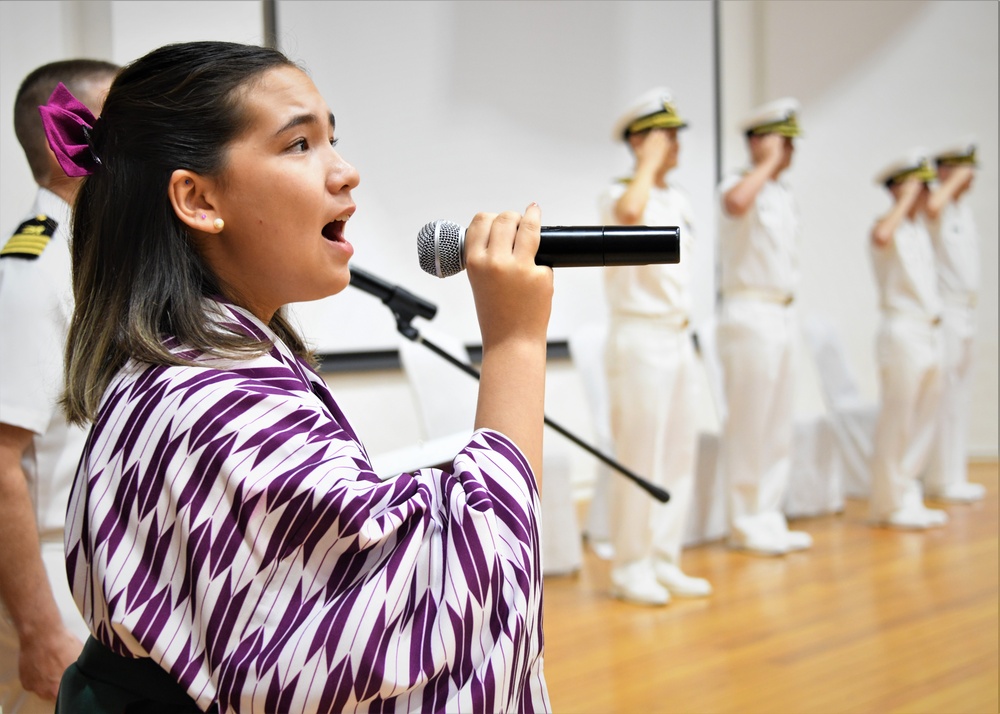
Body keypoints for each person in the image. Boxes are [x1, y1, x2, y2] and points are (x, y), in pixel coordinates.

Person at [47, 41, 553, 712]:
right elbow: (457, 593)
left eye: (333, 139)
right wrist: (515, 342)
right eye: (299, 145)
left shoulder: (190, 365)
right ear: (197, 198)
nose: (345, 173)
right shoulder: (215, 397)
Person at [0, 58, 118, 713]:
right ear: (65, 137)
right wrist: (40, 629)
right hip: (50, 578)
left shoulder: (91, 256)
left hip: (101, 574)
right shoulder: (33, 268)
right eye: (119, 119)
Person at [596, 88, 711, 605]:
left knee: (677, 453)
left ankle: (665, 557)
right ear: (640, 142)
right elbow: (629, 209)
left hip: (677, 334)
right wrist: (646, 161)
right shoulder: (618, 194)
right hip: (639, 337)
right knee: (640, 455)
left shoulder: (676, 198)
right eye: (665, 136)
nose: (675, 144)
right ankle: (631, 565)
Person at [715, 98, 813, 555]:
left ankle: (769, 513)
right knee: (750, 421)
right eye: (781, 141)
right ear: (758, 141)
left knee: (777, 421)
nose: (789, 151)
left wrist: (775, 166)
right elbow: (735, 204)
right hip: (749, 312)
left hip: (783, 311)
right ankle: (745, 519)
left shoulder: (783, 193)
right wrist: (768, 162)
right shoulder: (739, 184)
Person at [868, 150, 947, 529]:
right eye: (918, 185)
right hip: (901, 331)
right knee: (898, 418)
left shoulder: (918, 230)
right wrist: (901, 200)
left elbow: (936, 210)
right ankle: (888, 501)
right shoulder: (889, 225)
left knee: (924, 418)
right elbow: (882, 235)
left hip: (929, 329)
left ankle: (908, 492)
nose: (925, 193)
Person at [922, 140, 986, 503]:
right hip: (945, 310)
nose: (971, 177)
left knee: (960, 395)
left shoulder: (961, 211)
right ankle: (940, 478)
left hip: (967, 310)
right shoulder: (938, 207)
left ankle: (954, 473)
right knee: (943, 395)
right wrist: (946, 181)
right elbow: (931, 207)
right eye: (964, 169)